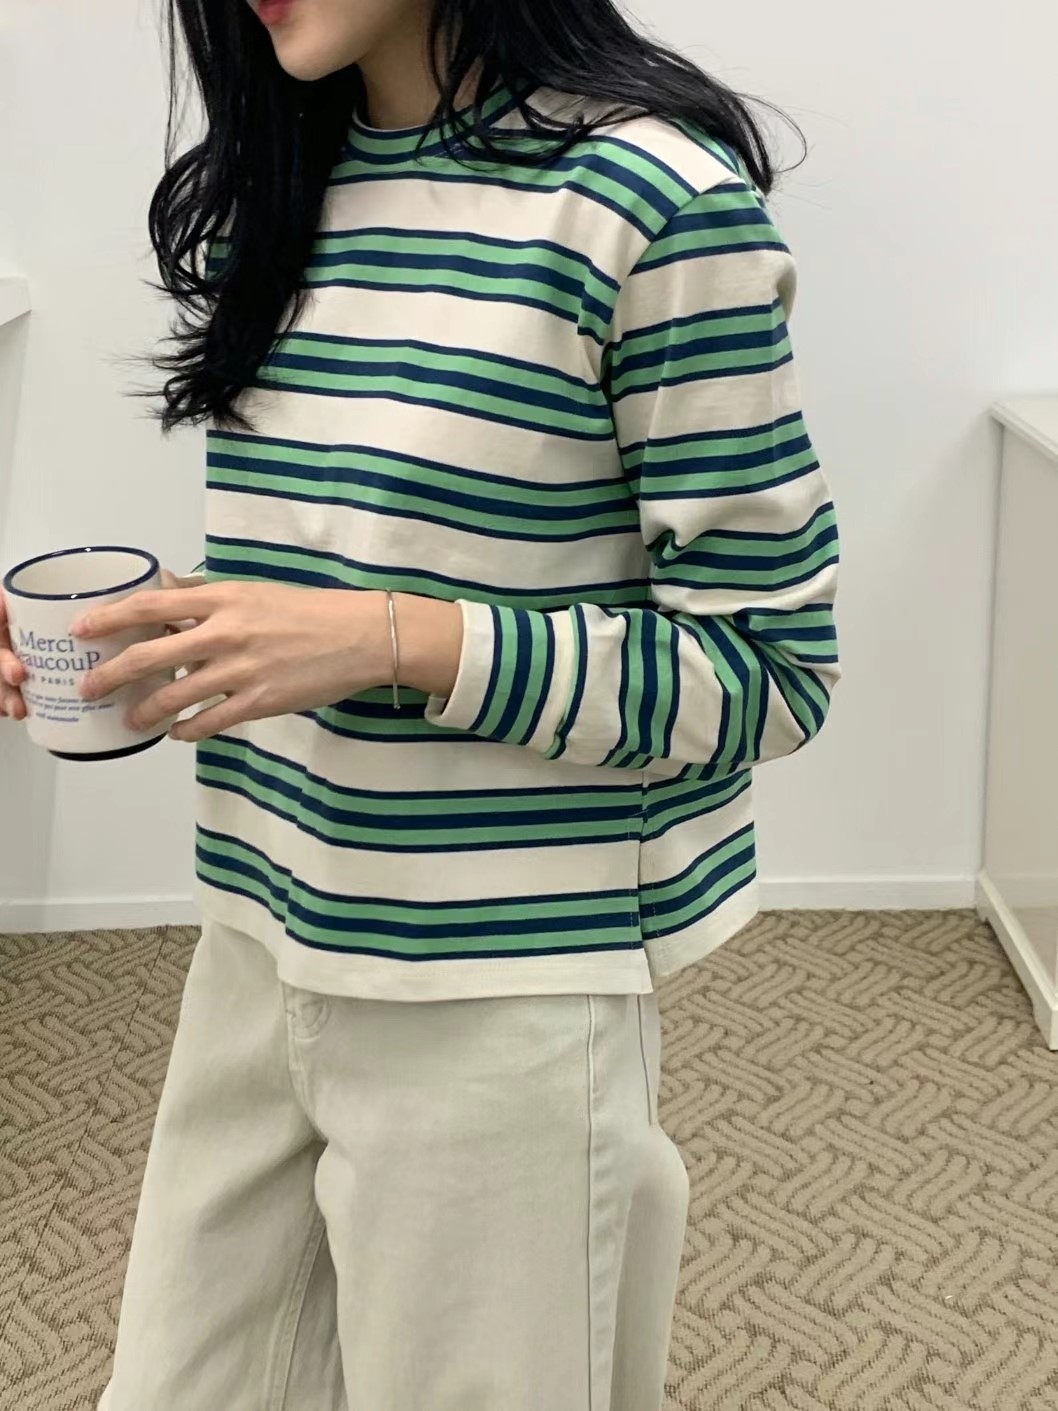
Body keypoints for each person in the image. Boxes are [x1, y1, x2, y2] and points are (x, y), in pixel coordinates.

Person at [0, 1, 840, 1406]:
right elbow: (352, 577)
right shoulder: (277, 192)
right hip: (264, 931)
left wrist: (393, 641)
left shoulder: (649, 204)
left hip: (503, 989)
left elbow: (771, 671)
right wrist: (144, 640)